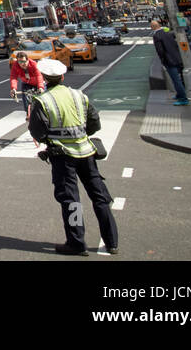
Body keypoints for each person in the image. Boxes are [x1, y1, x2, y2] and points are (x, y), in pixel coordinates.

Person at [28, 57, 119, 256]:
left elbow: (37, 131)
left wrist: (51, 139)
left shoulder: (43, 101)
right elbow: (94, 122)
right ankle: (112, 241)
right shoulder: (79, 95)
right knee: (99, 197)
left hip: (62, 156)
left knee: (71, 200)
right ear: (61, 76)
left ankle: (77, 242)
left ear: (44, 78)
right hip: (86, 153)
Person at [151, 19, 188, 106]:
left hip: (169, 60)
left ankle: (183, 98)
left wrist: (163, 61)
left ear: (152, 27)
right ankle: (179, 94)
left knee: (176, 80)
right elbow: (175, 45)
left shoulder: (156, 36)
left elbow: (160, 51)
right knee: (178, 78)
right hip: (177, 58)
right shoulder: (167, 33)